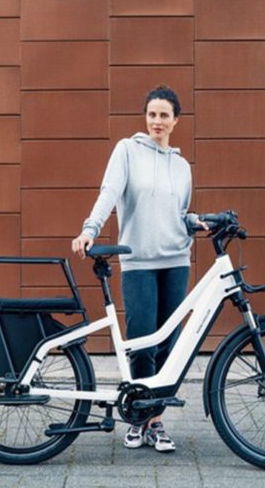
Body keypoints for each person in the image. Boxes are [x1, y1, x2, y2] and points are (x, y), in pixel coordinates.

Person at [71, 85, 207, 453]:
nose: (157, 121)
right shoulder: (127, 150)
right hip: (139, 262)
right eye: (152, 114)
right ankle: (138, 419)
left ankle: (156, 421)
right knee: (143, 340)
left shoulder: (182, 167)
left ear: (176, 121)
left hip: (176, 261)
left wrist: (194, 222)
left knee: (169, 344)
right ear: (145, 118)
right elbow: (109, 192)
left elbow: (178, 213)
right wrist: (89, 229)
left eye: (164, 115)